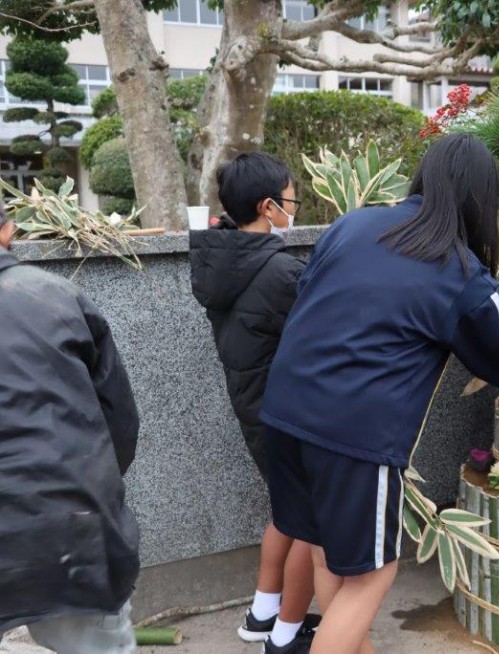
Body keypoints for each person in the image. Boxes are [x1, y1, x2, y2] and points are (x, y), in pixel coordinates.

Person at [260, 134, 499, 654]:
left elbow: (308, 297)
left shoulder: (353, 224)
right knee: (373, 575)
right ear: (482, 199)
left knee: (331, 556)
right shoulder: (459, 270)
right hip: (354, 438)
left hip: (284, 413)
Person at [189, 152, 316, 654]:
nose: (294, 209)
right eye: (291, 201)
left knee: (286, 510)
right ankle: (285, 637)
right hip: (289, 413)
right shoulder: (281, 273)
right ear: (268, 207)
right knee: (311, 522)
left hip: (256, 409)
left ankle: (263, 613)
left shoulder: (220, 259)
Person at [0, 207, 141, 652]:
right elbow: (119, 418)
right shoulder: (55, 294)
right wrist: (90, 488)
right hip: (70, 528)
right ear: (7, 229)